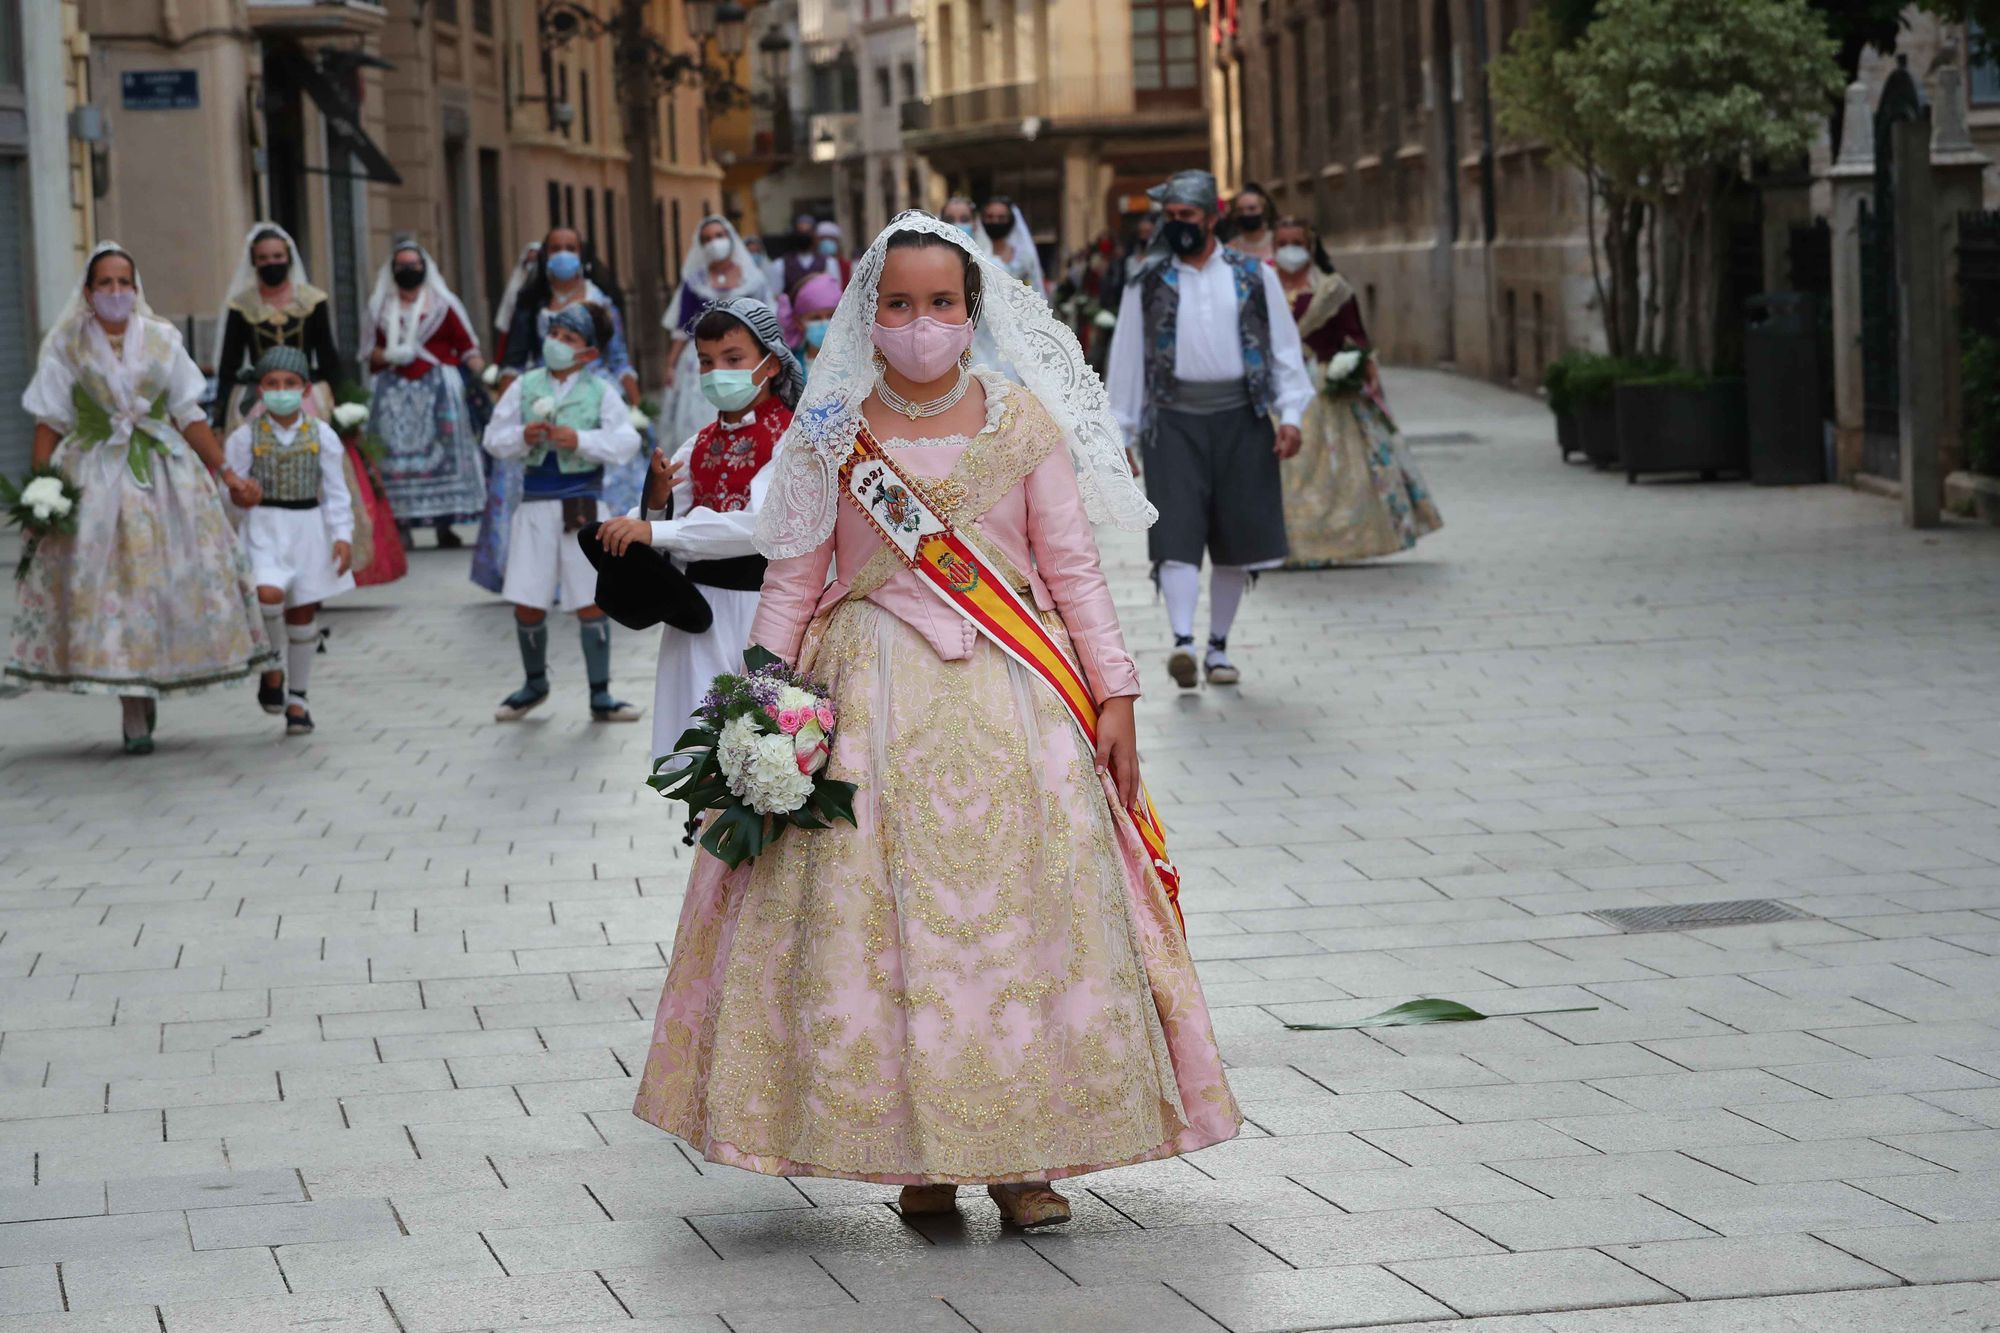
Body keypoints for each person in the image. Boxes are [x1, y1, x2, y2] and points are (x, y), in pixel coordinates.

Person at [632, 212, 1238, 1229]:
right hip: (869, 699)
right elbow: (792, 577)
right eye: (900, 305)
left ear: (972, 309)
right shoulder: (830, 431)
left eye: (941, 303)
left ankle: (1026, 1159)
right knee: (888, 935)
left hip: (1016, 701)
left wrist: (1118, 687)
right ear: (870, 314)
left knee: (1021, 934)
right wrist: (758, 702)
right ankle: (919, 1158)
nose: (921, 322)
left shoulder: (1022, 422)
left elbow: (1071, 572)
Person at [8, 244, 273, 753]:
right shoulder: (67, 344)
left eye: (123, 283)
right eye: (104, 284)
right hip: (92, 473)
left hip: (162, 475)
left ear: (136, 288)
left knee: (158, 584)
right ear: (87, 293)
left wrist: (227, 473)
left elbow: (187, 413)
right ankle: (132, 698)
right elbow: (50, 420)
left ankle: (149, 676)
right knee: (112, 588)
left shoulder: (162, 340)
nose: (115, 293)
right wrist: (41, 490)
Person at [1105, 170, 1313, 689]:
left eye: (1188, 218)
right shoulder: (1146, 281)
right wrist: (1119, 435)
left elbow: (1283, 348)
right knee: (1174, 531)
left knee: (1237, 535)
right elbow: (1127, 360)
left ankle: (1218, 647)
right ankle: (1182, 642)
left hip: (1243, 417)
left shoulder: (1252, 274)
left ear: (1212, 219)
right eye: (1170, 218)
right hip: (1171, 421)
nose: (1178, 227)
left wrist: (1290, 416)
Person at [595, 296, 802, 759]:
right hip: (696, 614)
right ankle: (698, 830)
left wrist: (657, 531)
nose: (716, 373)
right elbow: (664, 523)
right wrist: (653, 508)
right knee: (697, 749)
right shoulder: (701, 442)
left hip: (764, 610)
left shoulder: (791, 436)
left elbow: (760, 526)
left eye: (732, 359)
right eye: (706, 362)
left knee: (765, 752)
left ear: (770, 364)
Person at [481, 303, 644, 723]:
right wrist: (522, 435)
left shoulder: (601, 390)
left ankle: (601, 693)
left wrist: (582, 440)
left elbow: (625, 442)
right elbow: (493, 439)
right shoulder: (524, 385)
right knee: (527, 598)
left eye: (569, 339)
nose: (557, 343)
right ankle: (535, 683)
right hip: (535, 504)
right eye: (554, 333)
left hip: (583, 504)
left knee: (590, 599)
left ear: (588, 353)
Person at [476, 228, 644, 595]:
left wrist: (633, 395)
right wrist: (512, 410)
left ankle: (603, 572)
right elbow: (515, 354)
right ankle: (533, 583)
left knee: (611, 485)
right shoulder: (532, 303)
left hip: (590, 391)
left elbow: (618, 355)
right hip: (541, 389)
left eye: (571, 248)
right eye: (556, 249)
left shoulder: (602, 301)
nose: (563, 254)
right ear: (543, 255)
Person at [1273, 219, 1442, 566]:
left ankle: (1338, 541)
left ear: (1310, 246)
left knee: (1333, 470)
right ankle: (1285, 546)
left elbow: (1357, 338)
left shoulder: (1333, 289)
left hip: (1324, 390)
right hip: (1279, 391)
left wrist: (1356, 366)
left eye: (1297, 242)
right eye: (1283, 242)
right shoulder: (1262, 287)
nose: (1290, 249)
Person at [223, 346, 354, 736]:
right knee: (268, 595)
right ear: (260, 390)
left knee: (302, 614)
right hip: (263, 528)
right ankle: (272, 665)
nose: (282, 390)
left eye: (290, 384)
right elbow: (227, 488)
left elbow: (336, 491)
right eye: (273, 383)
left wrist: (342, 536)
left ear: (305, 389)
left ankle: (298, 700)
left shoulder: (322, 435)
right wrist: (238, 495)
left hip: (308, 528)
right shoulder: (246, 437)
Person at [360, 239, 488, 547]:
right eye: (402, 266)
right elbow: (368, 352)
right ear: (392, 270)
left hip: (439, 391)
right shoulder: (380, 307)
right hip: (393, 395)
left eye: (413, 265)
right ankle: (401, 525)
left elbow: (467, 345)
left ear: (424, 268)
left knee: (445, 454)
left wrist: (481, 371)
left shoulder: (443, 305)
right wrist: (389, 356)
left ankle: (446, 524)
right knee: (394, 459)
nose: (408, 271)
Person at [210, 224, 344, 427]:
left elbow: (328, 357)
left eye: (277, 256)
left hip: (308, 392)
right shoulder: (241, 306)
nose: (271, 262)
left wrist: (344, 405)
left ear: (288, 258)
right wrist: (219, 419)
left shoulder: (312, 301)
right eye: (263, 258)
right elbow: (229, 365)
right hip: (258, 396)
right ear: (254, 262)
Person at [660, 216, 776, 447]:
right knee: (697, 415)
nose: (714, 242)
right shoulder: (694, 282)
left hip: (745, 355)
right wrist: (671, 365)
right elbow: (682, 328)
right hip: (701, 358)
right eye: (707, 239)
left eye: (719, 236)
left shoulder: (752, 279)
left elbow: (767, 320)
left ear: (731, 239)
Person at [974, 196, 1048, 299]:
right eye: (990, 217)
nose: (995, 222)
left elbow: (1036, 289)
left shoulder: (1024, 257)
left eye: (1001, 217)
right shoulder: (975, 256)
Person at [789, 270, 842, 383]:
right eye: (815, 318)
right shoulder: (791, 367)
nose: (825, 323)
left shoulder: (857, 362)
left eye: (831, 315)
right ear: (799, 323)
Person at [782, 218, 850, 298]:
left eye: (830, 238)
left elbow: (836, 291)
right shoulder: (783, 263)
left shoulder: (830, 262)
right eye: (823, 238)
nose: (826, 242)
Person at [1220, 183, 1275, 263]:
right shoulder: (1230, 249)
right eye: (1241, 210)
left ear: (1263, 209)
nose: (1246, 214)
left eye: (1252, 208)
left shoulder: (1278, 243)